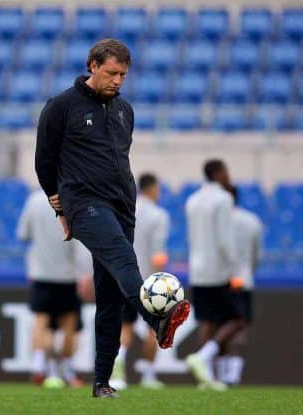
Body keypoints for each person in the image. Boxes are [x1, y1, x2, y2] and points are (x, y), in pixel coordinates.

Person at [34, 38, 190, 398]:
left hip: (122, 206)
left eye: (123, 75)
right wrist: (61, 209)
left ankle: (102, 383)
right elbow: (44, 164)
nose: (118, 81)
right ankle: (157, 319)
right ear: (93, 66)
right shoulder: (61, 107)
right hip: (85, 204)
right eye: (112, 73)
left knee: (110, 298)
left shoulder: (125, 111)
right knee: (124, 259)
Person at [17, 189, 92, 388]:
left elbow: (23, 234)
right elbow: (82, 244)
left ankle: (40, 366)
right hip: (68, 275)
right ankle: (65, 369)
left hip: (41, 273)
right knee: (69, 325)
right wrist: (86, 274)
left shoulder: (33, 200)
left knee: (41, 322)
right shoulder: (76, 200)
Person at [184, 160, 245, 391]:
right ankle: (203, 356)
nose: (229, 175)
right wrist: (235, 270)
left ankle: (207, 379)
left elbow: (191, 237)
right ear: (218, 173)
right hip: (219, 271)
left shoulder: (192, 200)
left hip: (198, 270)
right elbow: (225, 241)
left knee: (207, 322)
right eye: (227, 171)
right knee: (237, 319)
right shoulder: (224, 199)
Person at [111, 173, 170, 390]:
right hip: (149, 280)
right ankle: (148, 376)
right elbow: (158, 254)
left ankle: (117, 370)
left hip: (124, 277)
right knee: (154, 329)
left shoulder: (123, 210)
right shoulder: (158, 215)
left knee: (124, 327)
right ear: (153, 189)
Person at [215, 185, 263, 386]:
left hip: (218, 279)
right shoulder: (251, 221)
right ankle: (233, 375)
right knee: (239, 326)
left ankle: (219, 373)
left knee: (219, 325)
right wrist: (247, 272)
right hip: (242, 279)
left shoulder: (217, 222)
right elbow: (256, 255)